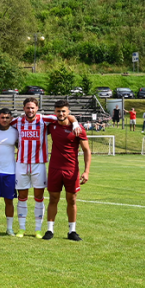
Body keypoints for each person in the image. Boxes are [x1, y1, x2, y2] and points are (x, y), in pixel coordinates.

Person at [13, 98, 73, 238]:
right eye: (28, 108)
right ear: (24, 108)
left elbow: (64, 115)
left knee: (39, 197)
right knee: (22, 197)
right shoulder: (17, 121)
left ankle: (38, 229)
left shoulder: (45, 119)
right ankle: (21, 229)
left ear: (37, 108)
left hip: (39, 165)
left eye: (33, 108)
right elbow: (2, 122)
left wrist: (75, 122)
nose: (30, 110)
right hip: (21, 164)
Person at [45, 100, 91, 241]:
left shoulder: (77, 129)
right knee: (53, 199)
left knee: (71, 200)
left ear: (68, 112)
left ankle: (72, 231)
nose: (61, 113)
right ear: (55, 112)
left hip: (71, 169)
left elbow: (87, 150)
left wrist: (86, 171)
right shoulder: (51, 126)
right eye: (58, 111)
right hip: (54, 168)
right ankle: (49, 230)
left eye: (64, 111)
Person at [0, 108, 19, 236]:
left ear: (11, 119)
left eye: (7, 117)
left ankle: (9, 228)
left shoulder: (15, 132)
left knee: (9, 200)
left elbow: (21, 147)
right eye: (2, 117)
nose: (5, 120)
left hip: (10, 171)